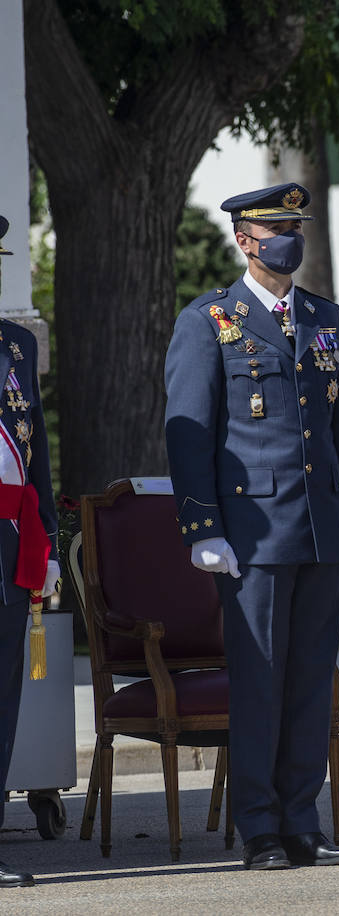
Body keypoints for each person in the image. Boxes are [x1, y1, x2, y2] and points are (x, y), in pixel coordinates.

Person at [164, 183, 339, 871]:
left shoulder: (323, 316)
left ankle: (302, 820)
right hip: (252, 530)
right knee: (260, 682)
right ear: (244, 239)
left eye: (294, 224)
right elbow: (189, 437)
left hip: (319, 525)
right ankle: (261, 826)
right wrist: (202, 528)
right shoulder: (210, 319)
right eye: (275, 226)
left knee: (309, 680)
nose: (289, 236)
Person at [0, 215, 62, 890]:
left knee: (3, 696)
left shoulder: (14, 344)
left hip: (9, 543)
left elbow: (35, 451)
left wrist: (45, 537)